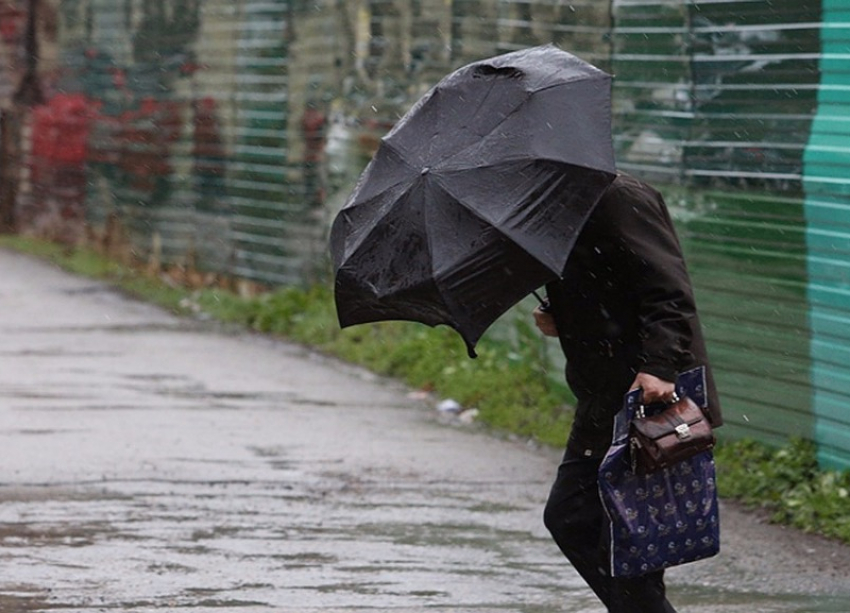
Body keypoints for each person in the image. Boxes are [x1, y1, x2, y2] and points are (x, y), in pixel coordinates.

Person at [533, 172, 722, 613]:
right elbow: (603, 284)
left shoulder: (618, 196)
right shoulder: (558, 202)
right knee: (581, 521)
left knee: (622, 535)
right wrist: (556, 312)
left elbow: (669, 289)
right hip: (604, 394)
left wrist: (660, 366)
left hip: (647, 395)